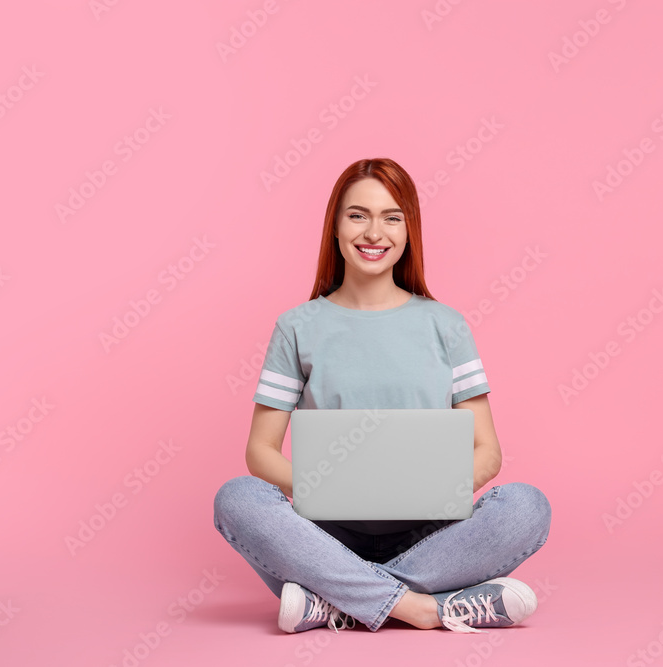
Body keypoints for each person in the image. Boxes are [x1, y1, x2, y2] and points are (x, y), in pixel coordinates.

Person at [213, 157, 551, 634]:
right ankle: (424, 608)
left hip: (433, 539)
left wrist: (432, 491)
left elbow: (487, 450)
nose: (374, 233)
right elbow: (260, 451)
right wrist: (330, 489)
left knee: (526, 507)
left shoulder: (446, 325)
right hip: (324, 541)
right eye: (358, 215)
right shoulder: (296, 327)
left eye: (392, 218)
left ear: (409, 230)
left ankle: (338, 601)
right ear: (335, 226)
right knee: (237, 498)